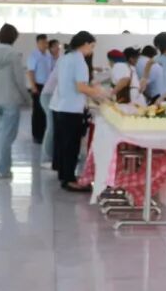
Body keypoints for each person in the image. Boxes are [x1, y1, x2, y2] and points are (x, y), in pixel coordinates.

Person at [51, 30, 107, 191]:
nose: (92, 50)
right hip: (71, 109)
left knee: (63, 144)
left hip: (60, 106)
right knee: (71, 146)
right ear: (84, 44)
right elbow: (81, 86)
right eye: (92, 46)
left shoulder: (65, 58)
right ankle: (69, 180)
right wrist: (99, 94)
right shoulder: (79, 61)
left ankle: (63, 174)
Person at [0, 23, 31, 181]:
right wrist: (27, 98)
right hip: (11, 99)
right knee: (8, 136)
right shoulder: (14, 55)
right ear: (14, 38)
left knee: (1, 134)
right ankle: (2, 169)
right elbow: (19, 79)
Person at [26, 33, 54, 144]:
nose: (44, 45)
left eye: (46, 42)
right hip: (37, 85)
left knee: (45, 110)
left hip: (47, 86)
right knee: (37, 111)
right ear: (37, 43)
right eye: (42, 42)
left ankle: (44, 133)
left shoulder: (48, 55)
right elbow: (30, 72)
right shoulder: (33, 55)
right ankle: (36, 135)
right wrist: (33, 86)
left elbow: (51, 70)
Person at [39, 40, 62, 163]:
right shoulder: (61, 64)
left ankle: (53, 154)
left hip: (53, 96)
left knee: (55, 126)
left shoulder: (61, 62)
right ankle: (46, 158)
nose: (58, 49)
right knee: (51, 126)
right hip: (47, 96)